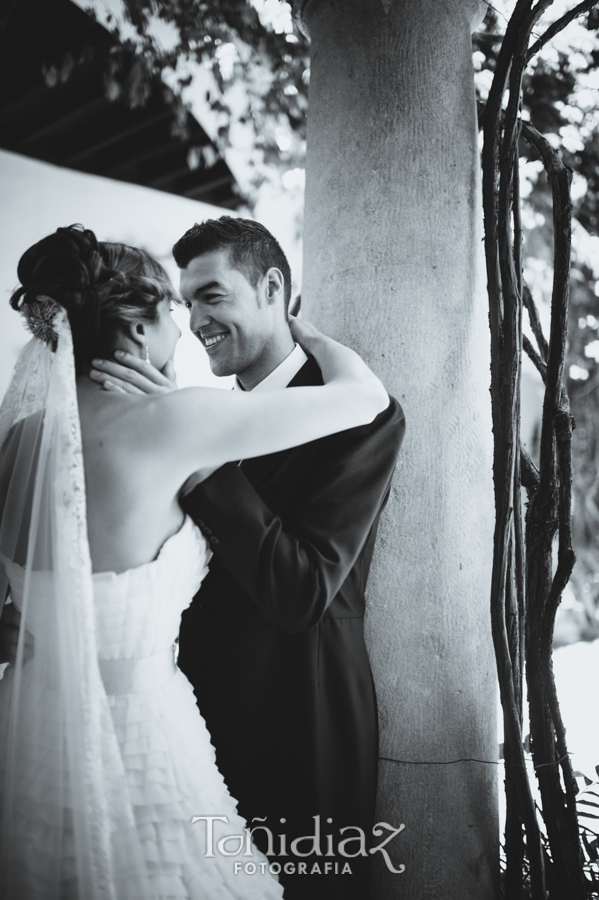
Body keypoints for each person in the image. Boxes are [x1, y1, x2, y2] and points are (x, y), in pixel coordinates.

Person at [0, 224, 390, 900]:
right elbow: (364, 396)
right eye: (176, 310)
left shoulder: (18, 440)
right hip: (149, 734)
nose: (187, 329)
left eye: (209, 299)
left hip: (34, 732)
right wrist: (313, 335)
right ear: (138, 324)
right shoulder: (177, 420)